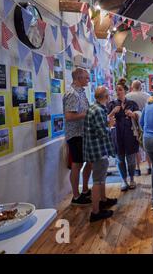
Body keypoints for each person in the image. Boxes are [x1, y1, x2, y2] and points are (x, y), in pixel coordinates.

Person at [83, 86, 118, 222]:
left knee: (101, 177)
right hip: (98, 150)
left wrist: (108, 121)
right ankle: (95, 212)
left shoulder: (94, 107)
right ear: (106, 97)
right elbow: (101, 132)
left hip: (95, 148)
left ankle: (103, 200)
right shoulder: (98, 110)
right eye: (109, 94)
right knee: (97, 180)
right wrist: (109, 125)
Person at [63, 68, 92, 206]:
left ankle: (85, 189)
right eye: (86, 78)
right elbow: (69, 116)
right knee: (77, 164)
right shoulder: (72, 94)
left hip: (83, 133)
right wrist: (86, 114)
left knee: (89, 161)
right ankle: (75, 196)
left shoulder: (81, 93)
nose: (89, 80)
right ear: (79, 78)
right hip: (75, 135)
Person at [108, 82, 140, 192]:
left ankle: (132, 179)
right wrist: (112, 112)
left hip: (130, 135)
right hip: (116, 135)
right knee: (120, 160)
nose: (118, 92)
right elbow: (106, 120)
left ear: (125, 91)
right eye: (116, 90)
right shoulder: (111, 104)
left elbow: (139, 116)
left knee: (131, 160)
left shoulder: (132, 103)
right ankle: (123, 180)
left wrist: (133, 114)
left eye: (120, 89)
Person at [127, 80, 153, 175]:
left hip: (132, 124)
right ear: (141, 87)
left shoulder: (127, 96)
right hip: (145, 123)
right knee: (146, 147)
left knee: (135, 148)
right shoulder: (148, 96)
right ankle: (149, 167)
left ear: (132, 87)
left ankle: (137, 169)